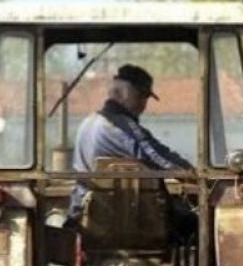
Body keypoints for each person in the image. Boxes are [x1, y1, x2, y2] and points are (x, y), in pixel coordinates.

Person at [69, 64, 194, 222]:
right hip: (114, 215)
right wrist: (193, 174)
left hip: (83, 212)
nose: (143, 105)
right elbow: (159, 158)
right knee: (190, 222)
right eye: (141, 96)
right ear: (123, 93)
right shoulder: (123, 127)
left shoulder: (88, 122)